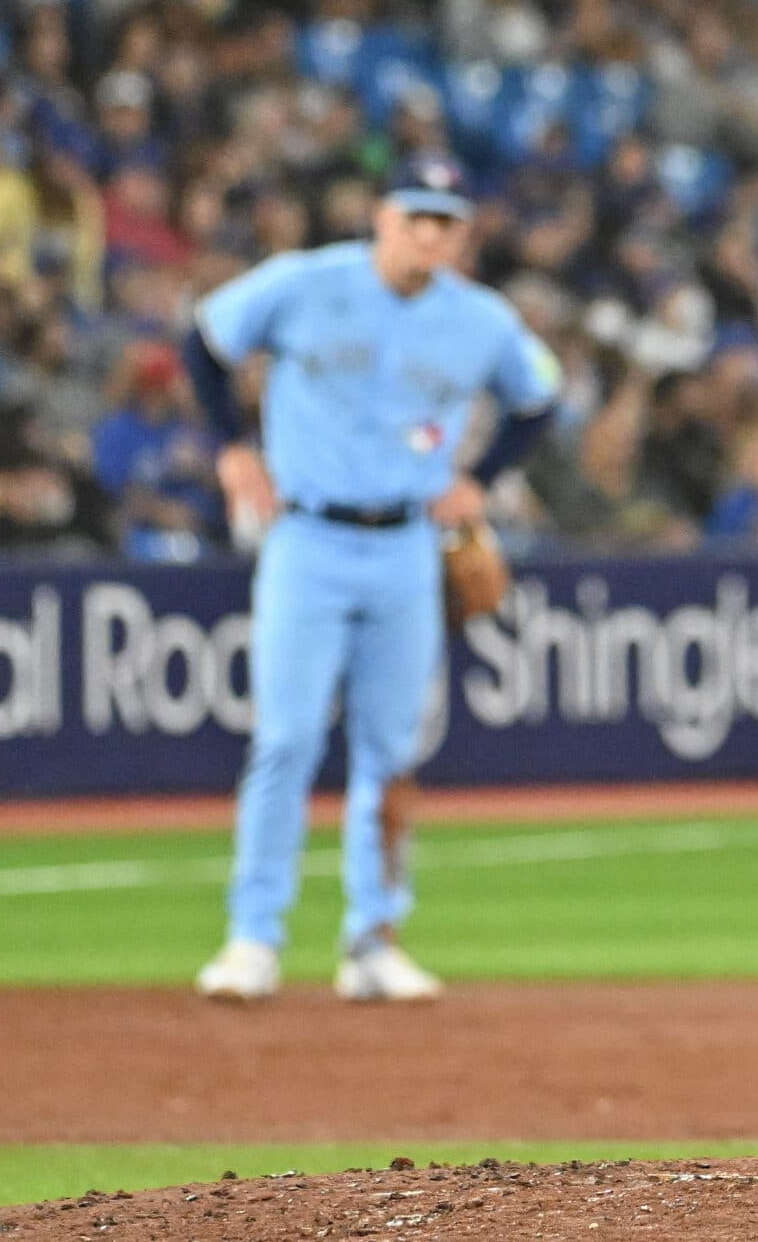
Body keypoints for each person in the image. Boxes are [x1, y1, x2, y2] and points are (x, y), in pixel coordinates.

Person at [187, 156, 560, 1004]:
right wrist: (232, 446)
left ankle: (373, 938)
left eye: (446, 220)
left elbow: (540, 400)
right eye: (415, 215)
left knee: (390, 753)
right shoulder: (305, 283)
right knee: (284, 739)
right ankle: (252, 937)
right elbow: (205, 343)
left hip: (405, 546)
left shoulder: (481, 320)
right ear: (381, 218)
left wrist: (485, 478)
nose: (428, 233)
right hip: (307, 536)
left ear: (464, 235)